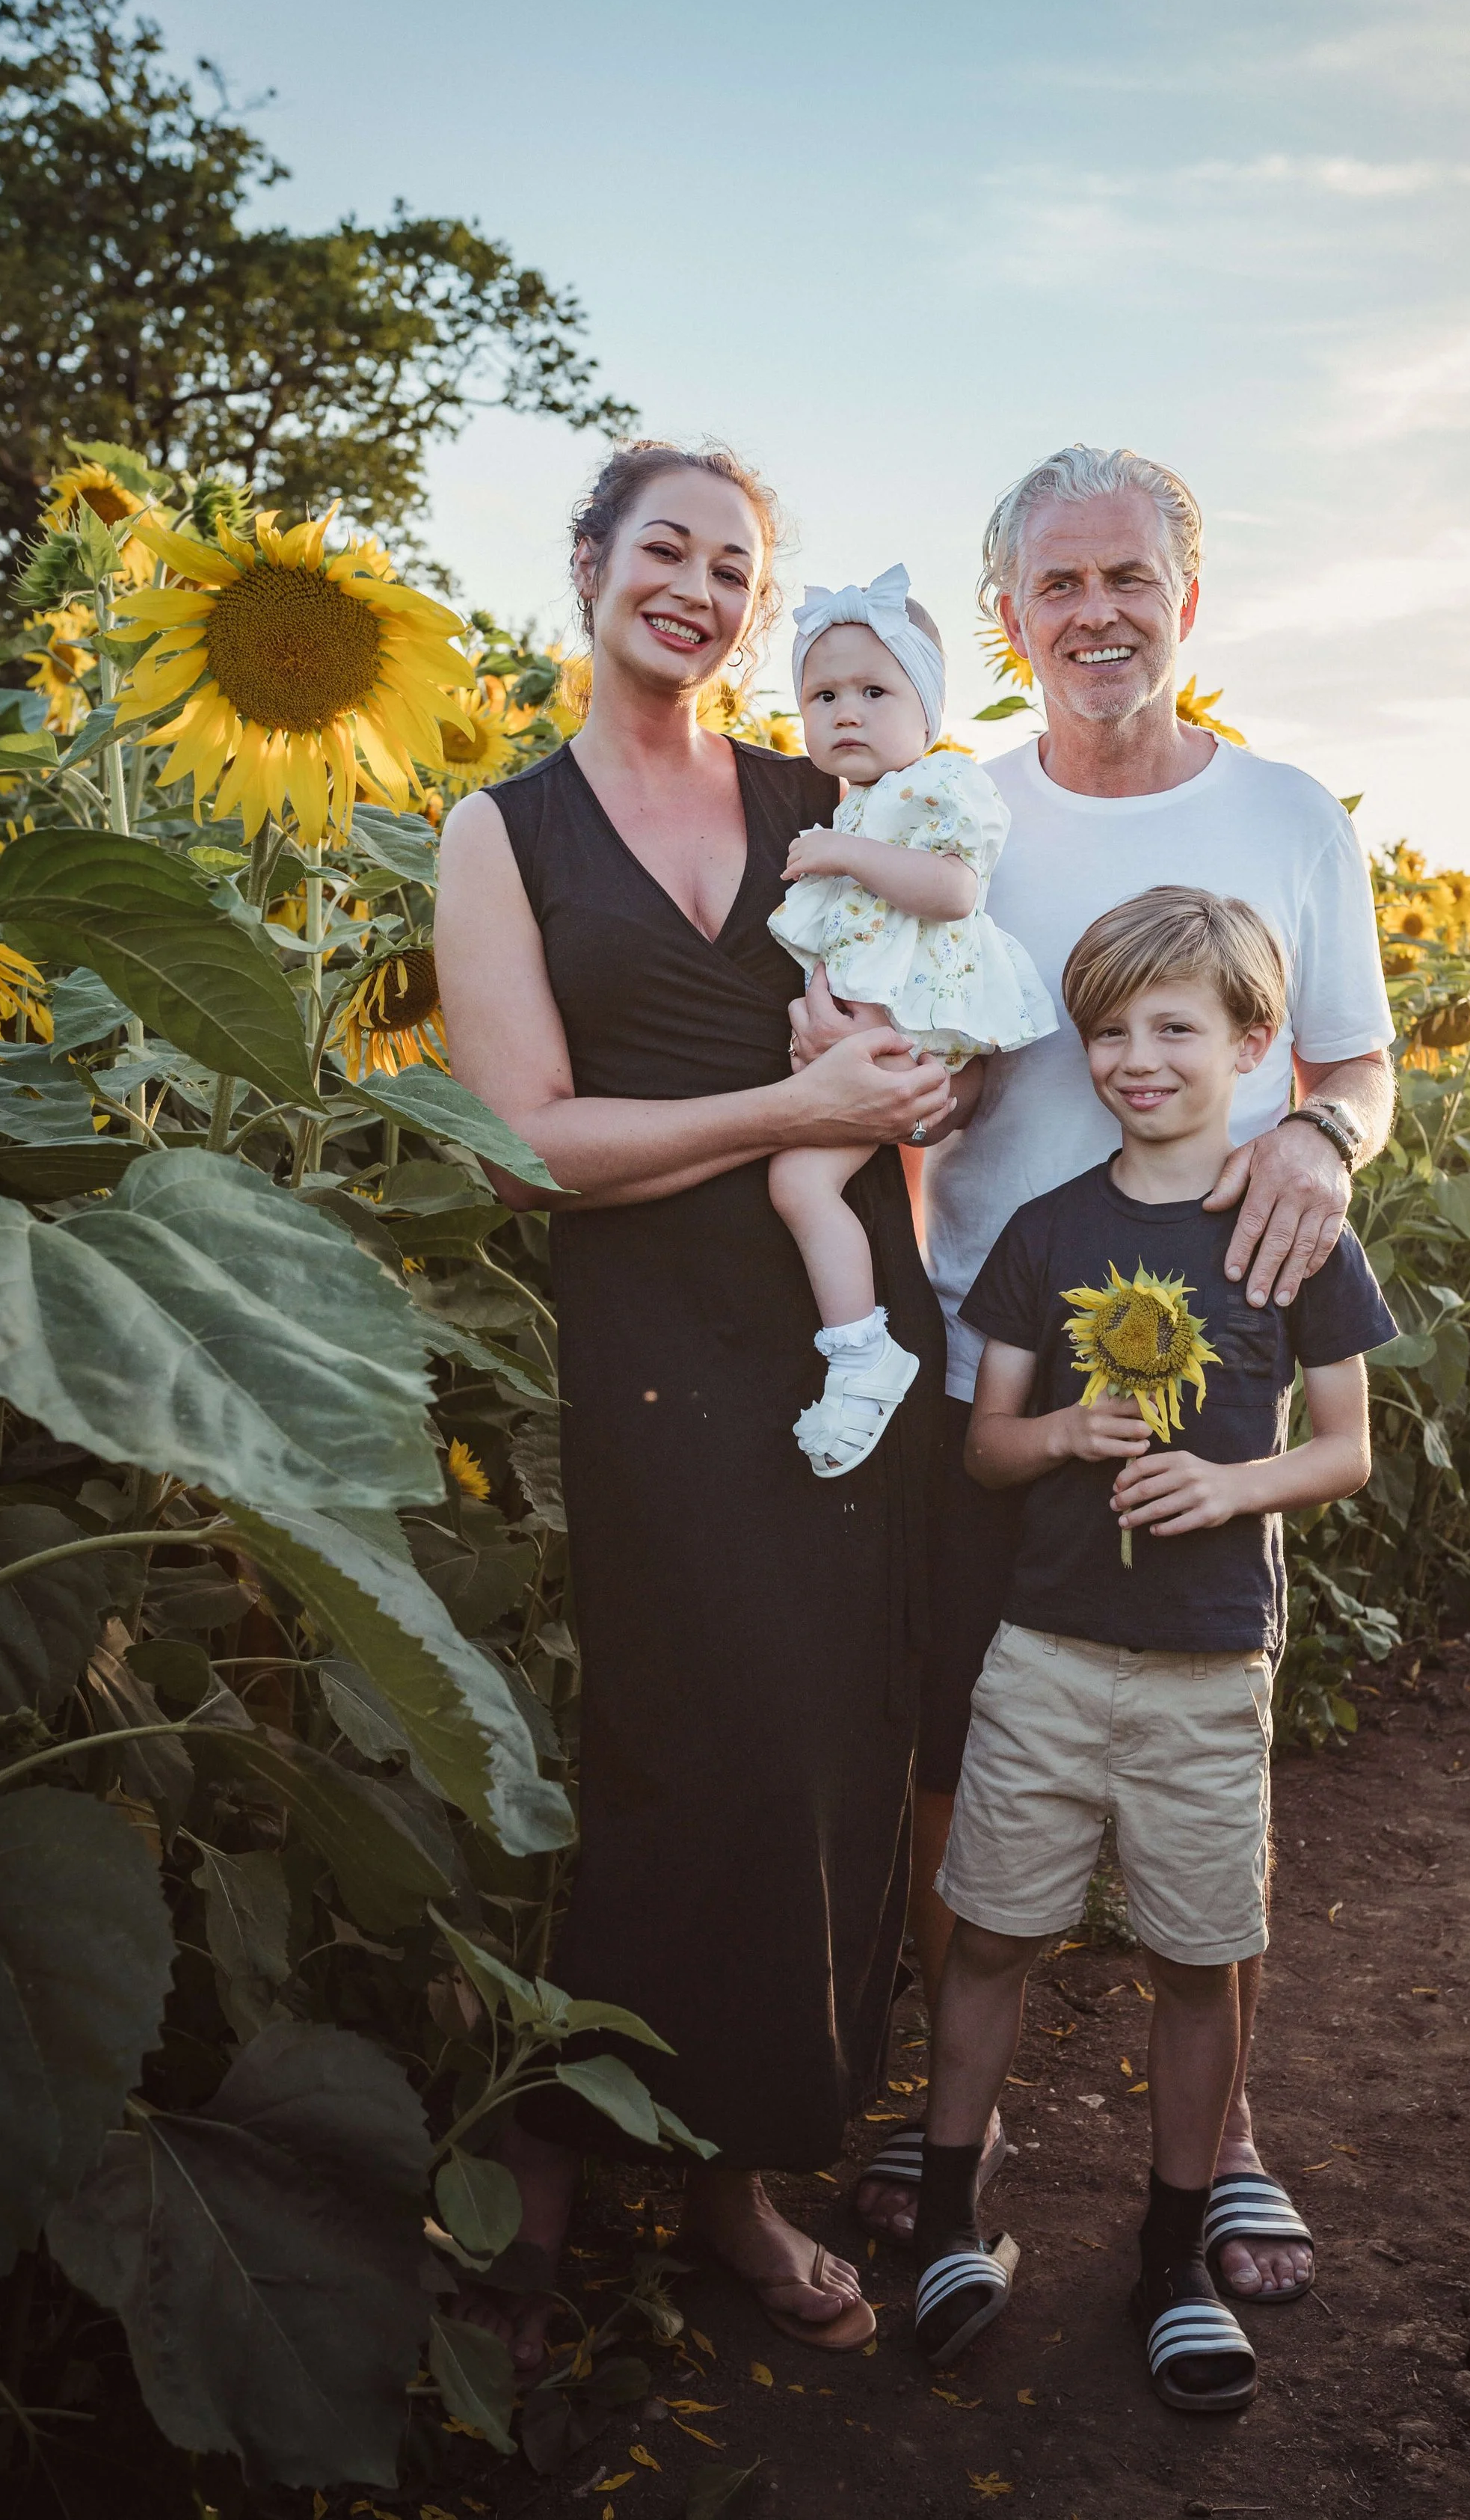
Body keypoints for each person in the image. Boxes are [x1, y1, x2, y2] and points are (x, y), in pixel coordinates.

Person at [825, 446, 1395, 2303]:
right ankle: (945, 2119)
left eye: (1128, 577)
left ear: (1187, 599)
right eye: (1056, 586)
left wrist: (1321, 1143)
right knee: (959, 1748)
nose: (1094, 614)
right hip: (986, 1334)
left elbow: (1354, 1065)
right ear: (1006, 619)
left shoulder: (1290, 813)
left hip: (1223, 1368)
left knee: (1204, 1746)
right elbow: (890, 1044)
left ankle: (1223, 2149)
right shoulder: (961, 814)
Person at [434, 439, 951, 2367]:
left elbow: (934, 1021)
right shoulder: (506, 831)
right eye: (668, 550)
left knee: (830, 1750)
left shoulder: (822, 792)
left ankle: (742, 2176)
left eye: (737, 568)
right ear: (587, 566)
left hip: (847, 1331)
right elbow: (523, 1146)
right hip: (652, 1337)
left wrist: (902, 1091)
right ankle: (554, 2170)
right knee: (671, 1749)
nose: (704, 592)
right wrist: (786, 1111)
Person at [911, 885, 1396, 2409]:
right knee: (989, 1933)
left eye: (1174, 1027)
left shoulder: (1291, 1237)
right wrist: (1061, 1427)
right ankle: (942, 2220)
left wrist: (1224, 1481)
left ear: (1257, 1045)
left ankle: (1167, 2258)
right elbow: (987, 1446)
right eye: (1107, 1029)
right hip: (1044, 1653)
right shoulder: (1047, 1232)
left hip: (1203, 1666)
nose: (1136, 1057)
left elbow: (1343, 1449)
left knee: (1198, 1963)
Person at [769, 565, 1054, 1475]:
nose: (845, 711)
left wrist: (843, 853)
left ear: (927, 713)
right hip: (876, 1033)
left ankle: (861, 1354)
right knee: (806, 1184)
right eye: (823, 694)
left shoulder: (939, 788)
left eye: (873, 691)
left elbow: (952, 889)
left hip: (915, 1028)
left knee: (801, 1185)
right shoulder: (855, 804)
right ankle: (859, 1343)